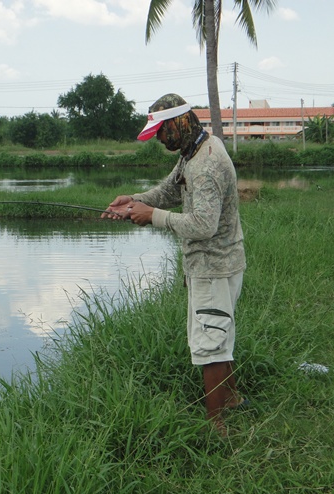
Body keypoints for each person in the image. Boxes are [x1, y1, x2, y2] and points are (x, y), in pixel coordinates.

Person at [102, 94, 246, 436]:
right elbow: (168, 190)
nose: (161, 140)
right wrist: (134, 201)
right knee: (219, 333)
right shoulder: (194, 150)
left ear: (179, 123)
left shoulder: (206, 164)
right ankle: (232, 400)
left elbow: (203, 225)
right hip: (216, 264)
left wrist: (153, 217)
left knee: (209, 343)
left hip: (214, 266)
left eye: (162, 132)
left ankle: (216, 426)